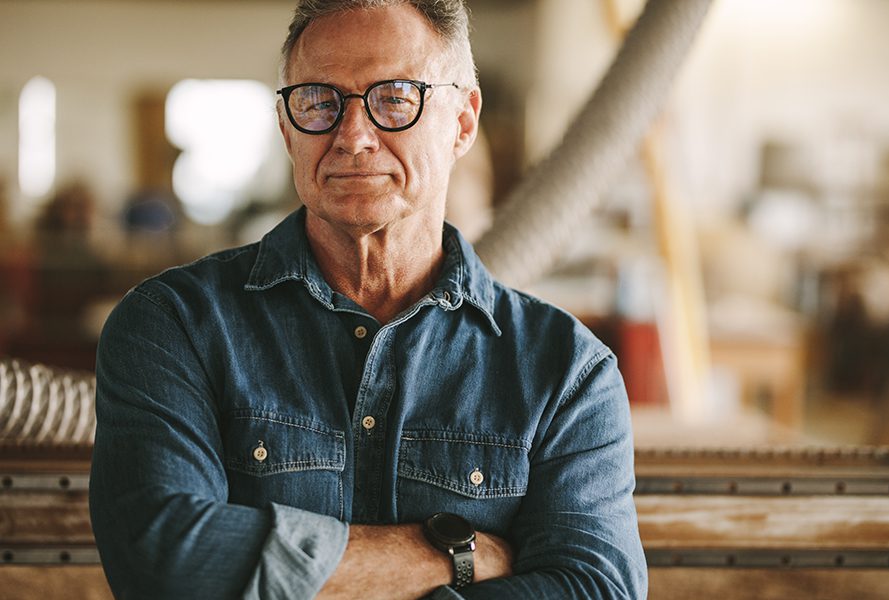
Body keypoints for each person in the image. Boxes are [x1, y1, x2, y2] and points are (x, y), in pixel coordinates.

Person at [89, 1, 647, 598]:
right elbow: (164, 561)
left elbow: (598, 587)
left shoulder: (566, 371)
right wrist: (450, 559)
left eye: (396, 97)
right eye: (318, 101)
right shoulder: (174, 326)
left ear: (462, 121)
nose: (352, 136)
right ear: (286, 129)